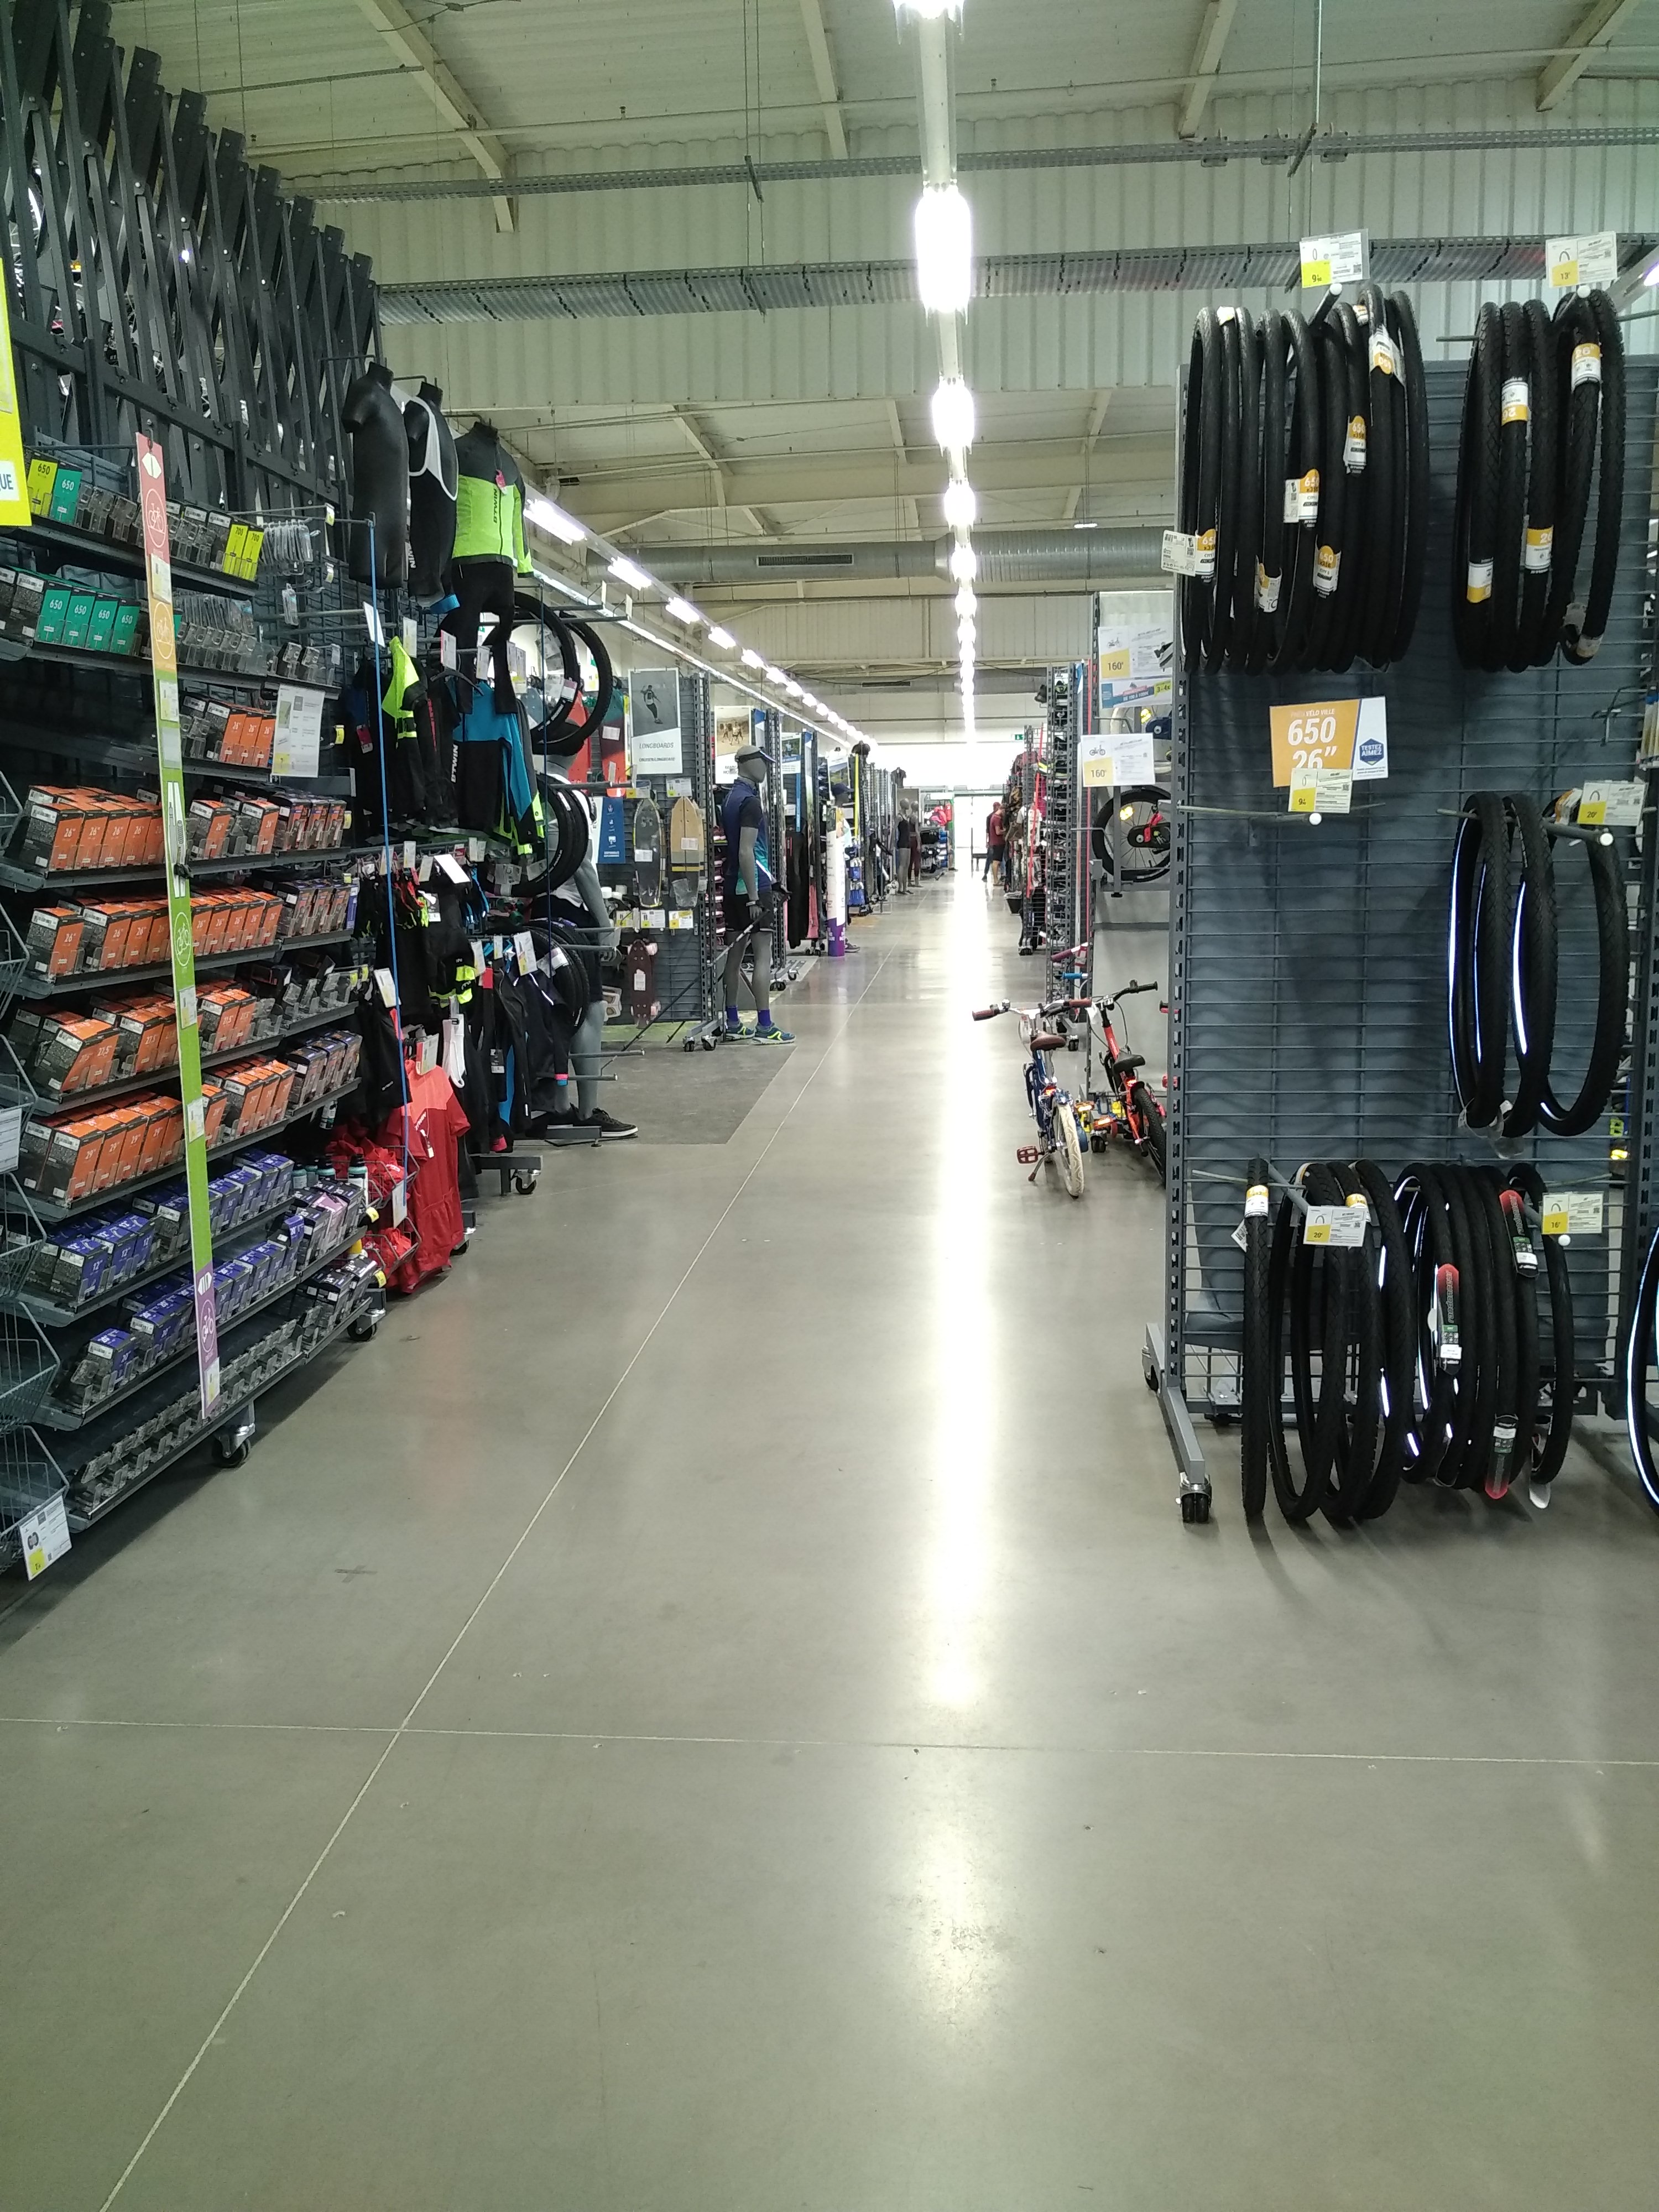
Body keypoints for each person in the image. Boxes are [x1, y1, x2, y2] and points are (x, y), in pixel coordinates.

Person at [721, 742, 794, 1043]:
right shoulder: (750, 801)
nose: (765, 767)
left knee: (735, 956)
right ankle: (765, 1025)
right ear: (747, 763)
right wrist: (754, 896)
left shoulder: (729, 799)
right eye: (762, 761)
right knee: (763, 955)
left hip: (732, 885)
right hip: (752, 888)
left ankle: (733, 1021)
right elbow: (747, 851)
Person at [984, 800, 1004, 881]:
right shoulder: (996, 818)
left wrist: (987, 841)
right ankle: (998, 877)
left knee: (993, 860)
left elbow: (988, 831)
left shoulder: (991, 817)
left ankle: (986, 874)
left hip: (993, 842)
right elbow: (994, 831)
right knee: (995, 860)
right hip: (996, 842)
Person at [894, 811, 912, 891]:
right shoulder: (899, 817)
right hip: (903, 842)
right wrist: (892, 844)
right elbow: (894, 830)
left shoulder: (906, 816)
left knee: (907, 865)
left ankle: (905, 888)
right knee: (902, 865)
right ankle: (900, 888)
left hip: (908, 842)